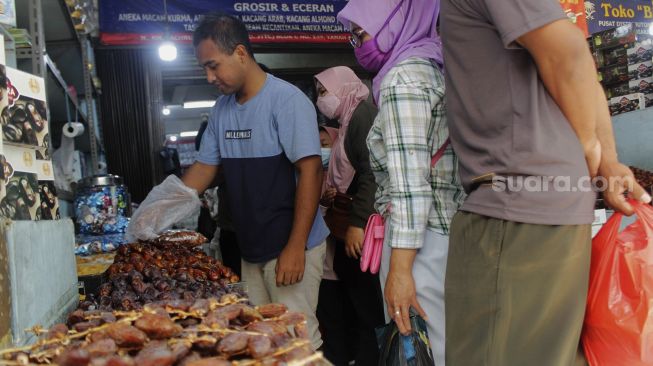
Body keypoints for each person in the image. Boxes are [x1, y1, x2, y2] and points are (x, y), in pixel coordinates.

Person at [439, 1, 652, 365]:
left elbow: (569, 50)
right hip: (534, 203)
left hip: (516, 205)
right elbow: (576, 58)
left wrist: (592, 147)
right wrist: (606, 161)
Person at [186, 12, 329, 350]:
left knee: (297, 340)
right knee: (261, 339)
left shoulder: (287, 101)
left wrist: (295, 248)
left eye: (213, 65)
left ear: (239, 53)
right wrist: (162, 205)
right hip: (253, 247)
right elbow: (204, 169)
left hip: (292, 246)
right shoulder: (221, 110)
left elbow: (311, 171)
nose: (209, 77)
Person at [337, 2, 465, 365]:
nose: (357, 43)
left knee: (421, 347)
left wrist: (401, 271)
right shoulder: (437, 67)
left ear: (394, 22)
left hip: (420, 245)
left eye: (362, 32)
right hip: (445, 232)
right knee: (440, 343)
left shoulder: (402, 81)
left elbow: (410, 187)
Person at [314, 67, 384, 365]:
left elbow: (372, 172)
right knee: (353, 300)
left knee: (365, 304)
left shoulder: (361, 117)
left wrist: (357, 224)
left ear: (343, 88)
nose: (321, 100)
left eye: (324, 91)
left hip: (360, 224)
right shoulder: (346, 121)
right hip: (346, 220)